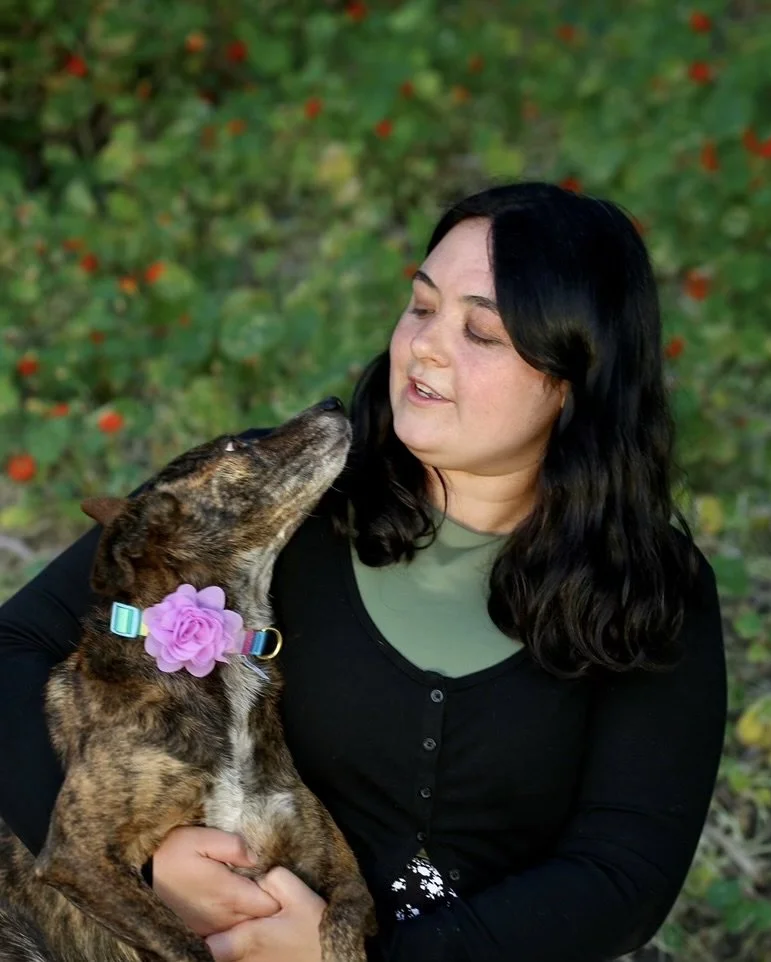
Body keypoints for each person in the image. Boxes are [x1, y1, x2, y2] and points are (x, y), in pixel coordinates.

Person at [0, 181, 728, 962]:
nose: (423, 345)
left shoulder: (649, 587)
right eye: (420, 306)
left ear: (573, 381)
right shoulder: (274, 498)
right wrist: (143, 860)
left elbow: (621, 874)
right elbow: (13, 647)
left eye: (480, 332)